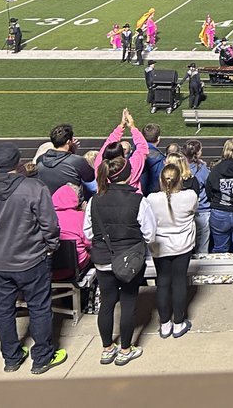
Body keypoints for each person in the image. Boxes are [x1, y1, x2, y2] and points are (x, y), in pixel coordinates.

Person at [0, 143, 67, 374]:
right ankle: (42, 357)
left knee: (4, 309)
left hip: (0, 262)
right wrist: (49, 247)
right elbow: (50, 225)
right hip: (32, 260)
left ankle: (11, 358)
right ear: (19, 164)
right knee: (39, 307)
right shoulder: (33, 188)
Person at [85, 156, 157, 367]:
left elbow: (87, 232)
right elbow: (150, 234)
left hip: (103, 259)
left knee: (107, 303)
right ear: (128, 175)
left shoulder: (94, 200)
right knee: (128, 302)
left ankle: (108, 348)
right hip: (130, 260)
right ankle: (125, 349)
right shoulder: (138, 201)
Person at [146, 163, 198, 339]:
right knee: (178, 282)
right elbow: (194, 211)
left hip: (160, 246)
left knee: (162, 282)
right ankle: (178, 323)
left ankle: (165, 324)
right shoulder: (190, 196)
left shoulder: (152, 199)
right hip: (182, 245)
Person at [184, 140, 212, 254]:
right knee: (202, 247)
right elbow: (210, 186)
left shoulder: (179, 168)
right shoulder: (203, 170)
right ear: (198, 152)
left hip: (184, 211)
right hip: (202, 210)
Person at [140, 123, 166, 195]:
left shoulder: (133, 154)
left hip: (136, 195)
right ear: (158, 139)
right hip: (154, 196)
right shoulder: (162, 160)